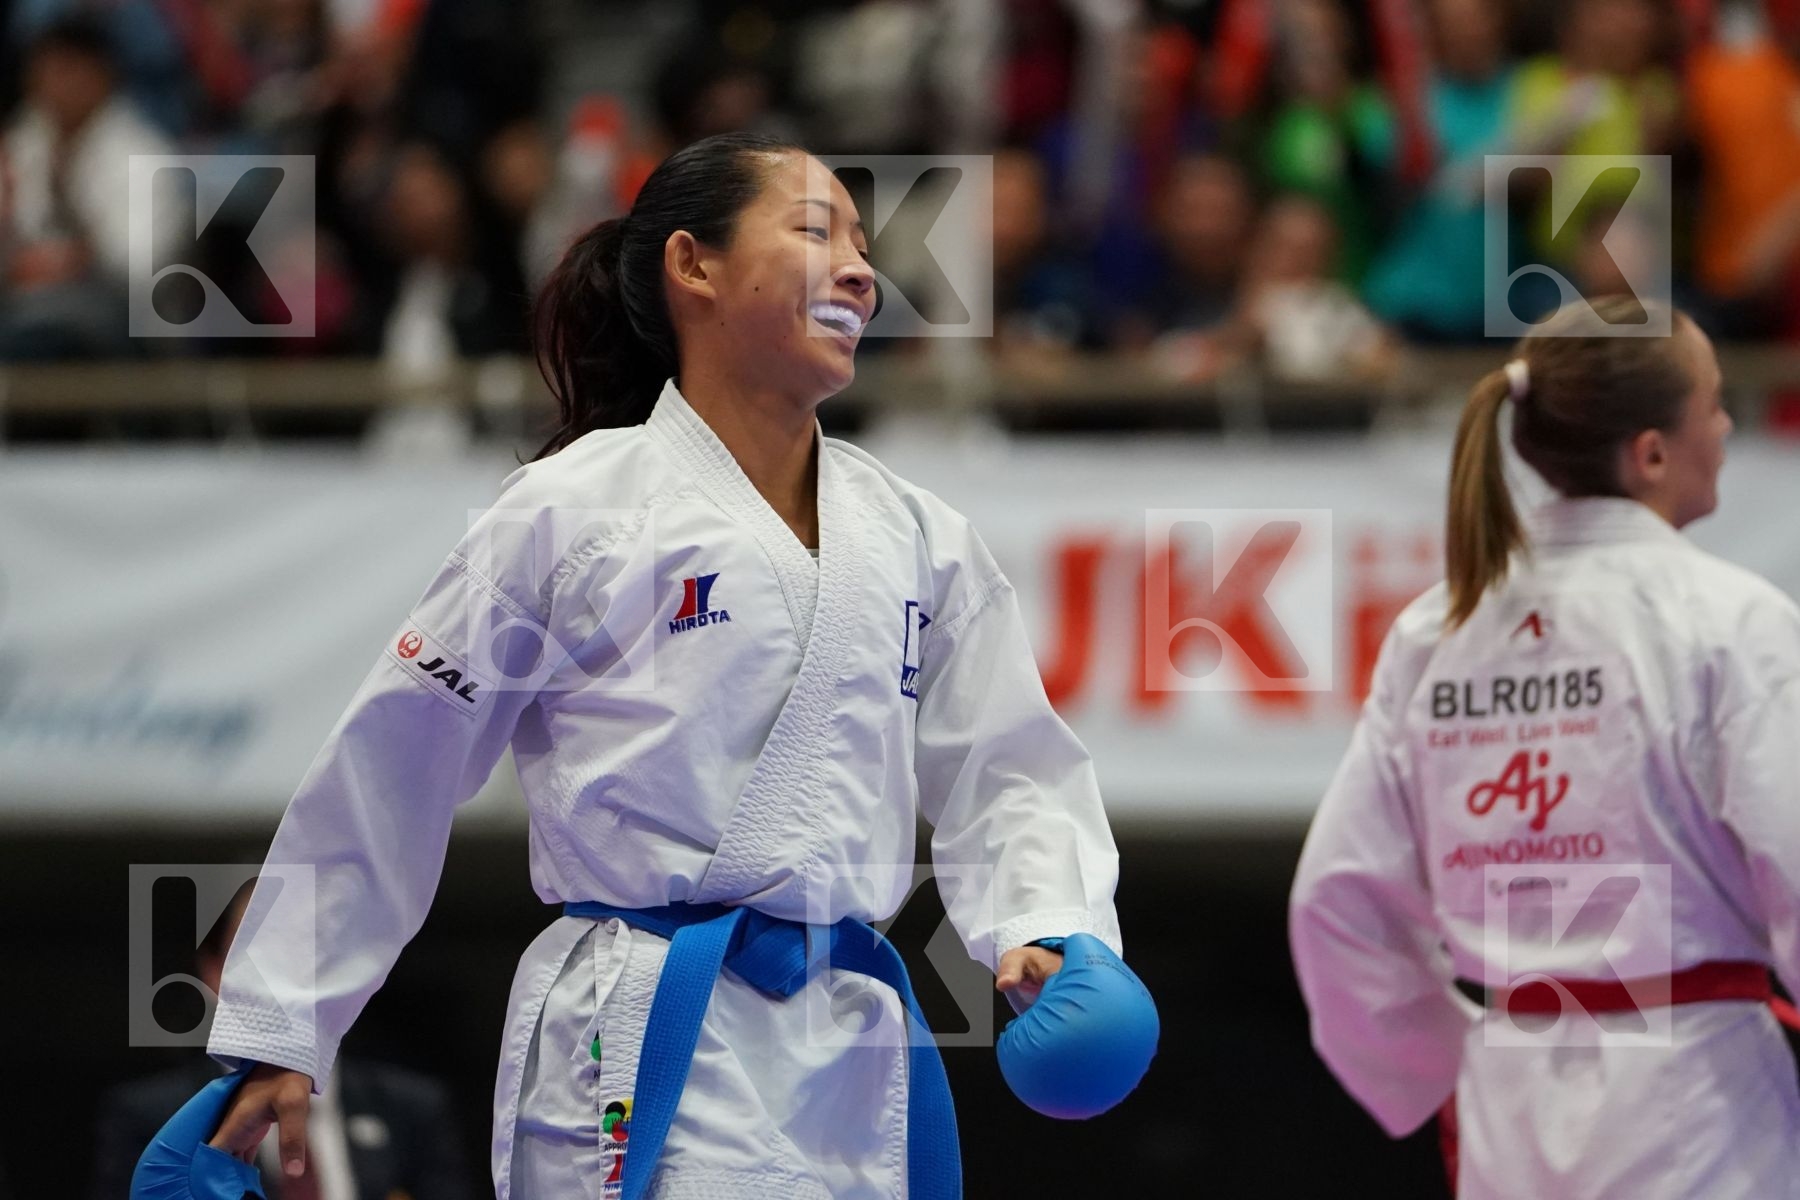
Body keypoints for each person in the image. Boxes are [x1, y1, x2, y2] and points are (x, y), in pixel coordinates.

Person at [179, 132, 1136, 1199]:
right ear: (695, 266)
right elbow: (390, 763)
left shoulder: (923, 536)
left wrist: (1049, 923)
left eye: (865, 244)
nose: (863, 271)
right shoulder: (571, 511)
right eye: (818, 232)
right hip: (641, 1032)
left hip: (852, 1053)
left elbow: (1009, 762)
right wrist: (282, 1020)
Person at [1290, 296, 1800, 1198]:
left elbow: (1338, 905)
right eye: (1714, 403)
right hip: (1698, 1102)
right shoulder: (1730, 621)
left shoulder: (1434, 632)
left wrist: (1436, 1068)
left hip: (1506, 1103)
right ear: (1650, 453)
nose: (1726, 426)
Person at [94, 880, 470, 1200]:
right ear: (213, 971)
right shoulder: (150, 1118)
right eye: (259, 954)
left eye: (306, 951)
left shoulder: (414, 1109)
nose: (285, 976)